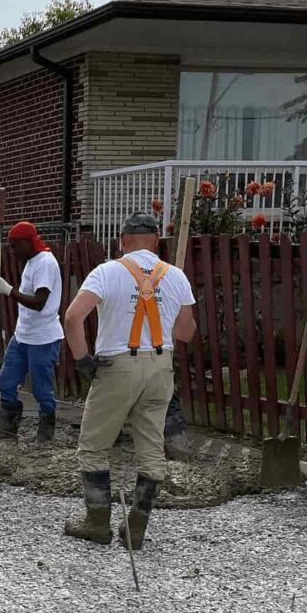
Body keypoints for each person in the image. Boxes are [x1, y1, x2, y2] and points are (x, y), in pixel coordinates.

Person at [62, 212, 197, 548]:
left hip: (117, 367)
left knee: (94, 447)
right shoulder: (176, 275)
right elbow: (186, 332)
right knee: (151, 449)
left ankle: (96, 523)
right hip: (160, 368)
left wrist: (83, 360)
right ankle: (136, 527)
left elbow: (73, 317)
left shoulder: (107, 272)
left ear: (122, 241)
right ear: (156, 241)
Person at [0, 221, 64, 443]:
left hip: (43, 338)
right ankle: (7, 429)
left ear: (27, 242)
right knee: (6, 381)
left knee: (41, 389)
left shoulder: (45, 263)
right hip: (22, 335)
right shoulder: (31, 262)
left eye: (15, 245)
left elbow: (39, 302)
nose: (12, 251)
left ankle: (45, 434)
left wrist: (9, 290)